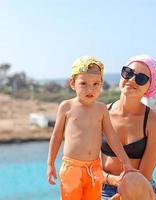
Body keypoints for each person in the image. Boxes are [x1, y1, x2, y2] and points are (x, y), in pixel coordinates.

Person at [46, 56, 134, 200]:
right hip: (71, 169)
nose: (90, 89)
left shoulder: (101, 109)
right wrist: (50, 164)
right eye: (83, 84)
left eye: (95, 84)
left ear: (101, 84)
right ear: (72, 83)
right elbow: (56, 136)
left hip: (94, 169)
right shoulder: (66, 106)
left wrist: (126, 162)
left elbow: (112, 137)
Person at [101, 54, 156, 199]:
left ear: (150, 87)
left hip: (138, 191)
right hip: (103, 188)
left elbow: (144, 176)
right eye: (128, 73)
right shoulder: (101, 114)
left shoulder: (154, 122)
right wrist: (113, 180)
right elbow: (89, 166)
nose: (131, 80)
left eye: (141, 78)